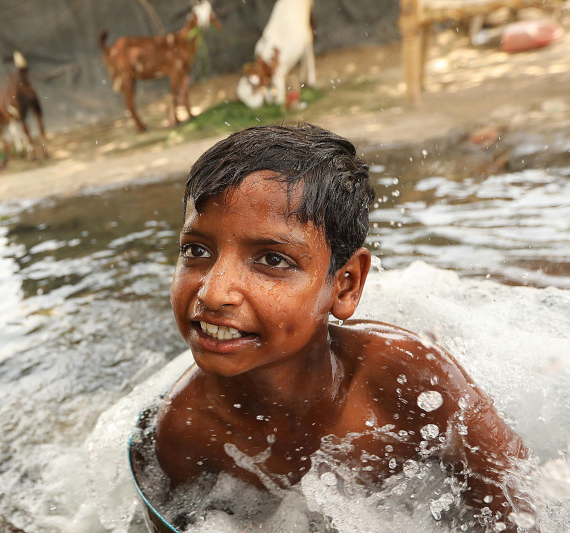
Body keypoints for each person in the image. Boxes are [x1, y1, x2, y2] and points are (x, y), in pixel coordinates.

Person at [155, 124, 534, 530]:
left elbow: (520, 508)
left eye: (272, 260)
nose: (213, 293)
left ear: (346, 284)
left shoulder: (413, 380)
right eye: (196, 250)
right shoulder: (187, 429)